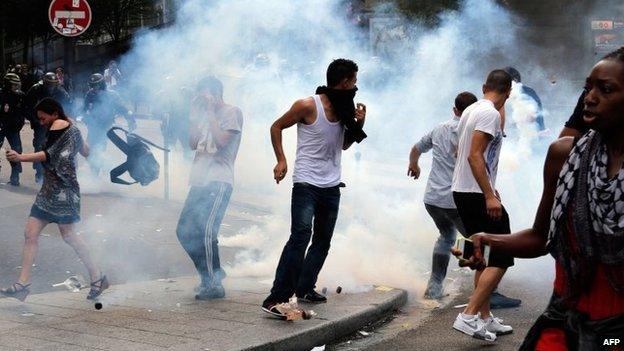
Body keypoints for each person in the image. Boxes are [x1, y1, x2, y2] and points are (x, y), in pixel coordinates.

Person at [468, 47, 624, 350]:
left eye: (605, 90)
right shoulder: (563, 155)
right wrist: (485, 240)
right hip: (562, 323)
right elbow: (542, 238)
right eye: (587, 87)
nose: (590, 98)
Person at [262, 58, 367, 317]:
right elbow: (276, 126)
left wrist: (359, 123)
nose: (355, 86)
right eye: (354, 81)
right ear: (344, 82)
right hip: (306, 183)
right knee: (300, 236)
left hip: (331, 185)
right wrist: (281, 159)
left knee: (322, 241)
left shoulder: (345, 109)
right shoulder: (308, 105)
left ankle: (305, 287)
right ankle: (276, 298)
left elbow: (342, 146)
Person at [1, 98, 108, 302]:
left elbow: (48, 155)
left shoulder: (59, 127)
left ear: (54, 115)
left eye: (43, 118)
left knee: (69, 236)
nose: (41, 123)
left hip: (64, 191)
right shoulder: (71, 128)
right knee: (30, 233)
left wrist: (19, 157)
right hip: (48, 190)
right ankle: (22, 284)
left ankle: (98, 276)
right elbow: (87, 152)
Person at [450, 69, 514, 341]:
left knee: (482, 256)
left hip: (465, 190)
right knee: (502, 255)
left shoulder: (471, 109)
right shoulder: (488, 113)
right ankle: (468, 314)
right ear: (508, 93)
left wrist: (488, 185)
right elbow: (474, 156)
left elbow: (462, 151)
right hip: (475, 193)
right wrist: (488, 194)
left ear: (485, 86)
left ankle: (484, 318)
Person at [176, 76, 243, 300]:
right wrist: (194, 114)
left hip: (219, 179)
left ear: (216, 94)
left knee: (206, 231)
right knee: (184, 230)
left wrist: (212, 111)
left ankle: (213, 283)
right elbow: (193, 143)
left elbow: (222, 141)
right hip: (200, 179)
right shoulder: (202, 114)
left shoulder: (232, 112)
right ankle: (211, 275)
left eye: (205, 95)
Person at [407, 91, 477, 299]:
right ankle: (487, 287)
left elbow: (416, 148)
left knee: (447, 237)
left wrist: (413, 164)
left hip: (434, 199)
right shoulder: (474, 132)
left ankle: (435, 286)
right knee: (477, 240)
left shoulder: (439, 129)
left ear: (455, 110)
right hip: (457, 200)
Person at [82, 73, 135, 175]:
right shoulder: (90, 94)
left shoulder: (112, 95)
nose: (93, 88)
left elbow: (123, 108)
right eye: (92, 85)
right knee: (88, 150)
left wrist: (130, 118)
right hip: (93, 126)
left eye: (95, 85)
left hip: (105, 127)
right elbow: (84, 109)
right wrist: (84, 117)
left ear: (101, 84)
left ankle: (96, 174)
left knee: (98, 150)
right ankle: (103, 166)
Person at [25, 72, 71, 183]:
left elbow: (68, 106)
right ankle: (39, 173)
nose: (51, 87)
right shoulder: (36, 89)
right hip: (40, 123)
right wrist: (35, 120)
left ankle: (56, 173)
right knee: (40, 146)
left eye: (53, 84)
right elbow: (26, 107)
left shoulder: (61, 92)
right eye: (49, 84)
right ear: (44, 83)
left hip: (55, 123)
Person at [0, 73, 26, 185]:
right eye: (14, 85)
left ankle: (15, 178)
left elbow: (24, 111)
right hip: (1, 126)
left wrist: (20, 124)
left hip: (13, 128)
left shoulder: (20, 96)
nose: (16, 87)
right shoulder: (1, 94)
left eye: (17, 85)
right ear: (7, 84)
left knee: (16, 151)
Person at [503, 67, 546, 133]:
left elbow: (537, 119)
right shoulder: (502, 93)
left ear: (515, 80)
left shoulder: (527, 93)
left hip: (526, 135)